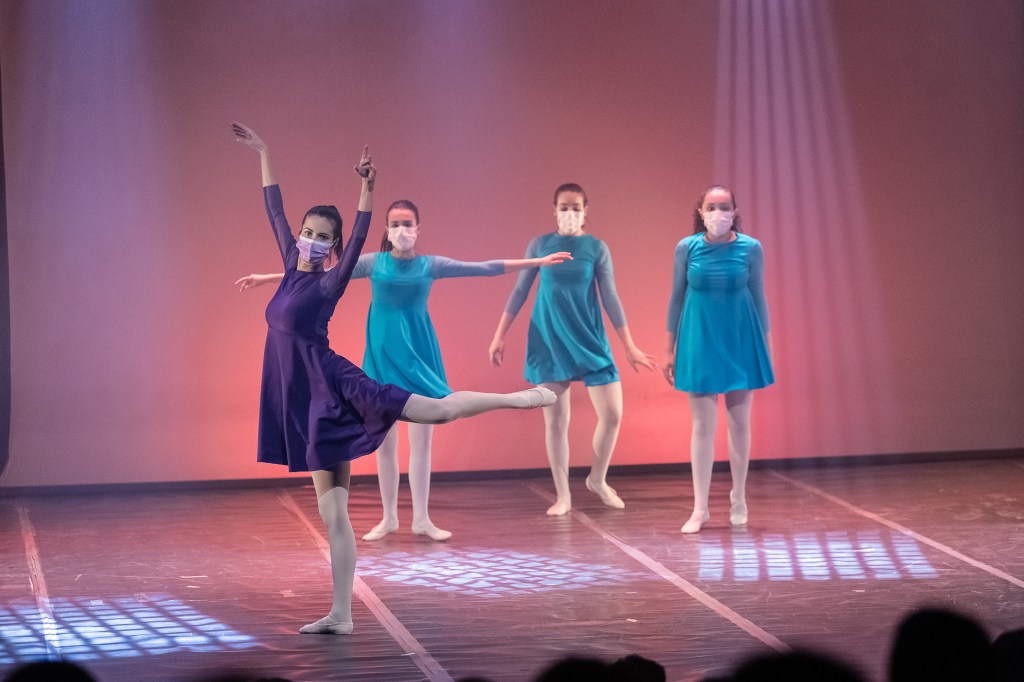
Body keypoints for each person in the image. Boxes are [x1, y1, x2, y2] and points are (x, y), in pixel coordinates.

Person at [231, 122, 555, 635]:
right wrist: (264, 152)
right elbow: (274, 210)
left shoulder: (332, 281)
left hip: (333, 387)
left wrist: (368, 187)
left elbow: (362, 232)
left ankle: (522, 399)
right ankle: (341, 615)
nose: (310, 241)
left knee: (437, 411)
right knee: (334, 515)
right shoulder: (291, 267)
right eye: (307, 233)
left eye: (322, 238)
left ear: (334, 248)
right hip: (305, 404)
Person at [237, 200, 571, 541]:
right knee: (384, 441)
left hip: (419, 354)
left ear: (418, 228)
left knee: (424, 436)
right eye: (395, 224)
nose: (401, 230)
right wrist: (269, 278)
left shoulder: (430, 265)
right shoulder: (374, 263)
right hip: (381, 354)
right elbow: (318, 276)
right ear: (386, 228)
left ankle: (422, 518)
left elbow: (482, 267)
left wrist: (537, 262)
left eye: (407, 224)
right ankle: (389, 518)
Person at [489, 183, 657, 516]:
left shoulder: (596, 248)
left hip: (589, 337)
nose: (569, 213)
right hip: (549, 340)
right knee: (556, 421)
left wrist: (630, 346)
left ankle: (597, 479)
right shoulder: (540, 245)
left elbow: (610, 297)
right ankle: (563, 495)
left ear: (585, 210)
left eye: (575, 207)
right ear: (554, 210)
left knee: (613, 414)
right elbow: (520, 291)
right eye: (564, 207)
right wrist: (499, 335)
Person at [664, 185, 774, 534]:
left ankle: (738, 498)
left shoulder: (751, 248)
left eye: (724, 207)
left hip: (741, 338)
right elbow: (676, 298)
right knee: (702, 427)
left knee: (739, 423)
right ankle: (700, 508)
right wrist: (668, 348)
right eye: (711, 207)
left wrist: (766, 346)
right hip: (698, 338)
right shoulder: (686, 247)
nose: (718, 214)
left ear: (734, 211)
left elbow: (759, 296)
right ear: (701, 212)